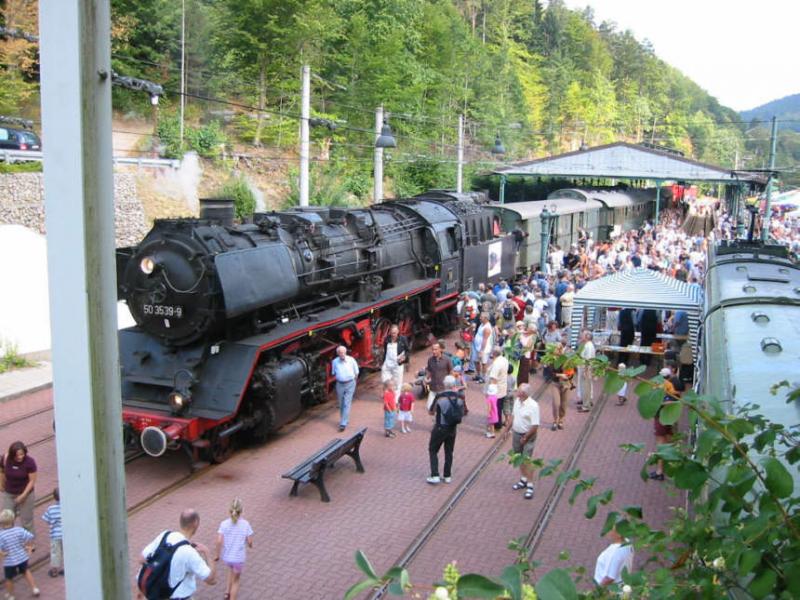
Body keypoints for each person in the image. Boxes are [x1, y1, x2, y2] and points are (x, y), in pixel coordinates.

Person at [140, 509, 217, 599]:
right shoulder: (189, 552)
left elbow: (141, 558)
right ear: (196, 523)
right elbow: (211, 579)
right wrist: (207, 553)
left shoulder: (165, 535)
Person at [427, 376, 467, 485]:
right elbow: (464, 412)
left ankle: (435, 475)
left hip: (440, 427)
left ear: (445, 384)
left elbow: (431, 411)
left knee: (433, 449)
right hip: (452, 428)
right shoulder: (460, 397)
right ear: (454, 385)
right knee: (449, 452)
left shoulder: (440, 397)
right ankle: (447, 475)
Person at [215, 498, 253, 600]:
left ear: (229, 511)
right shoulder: (245, 524)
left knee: (230, 571)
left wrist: (217, 555)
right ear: (242, 511)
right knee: (236, 581)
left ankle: (227, 593)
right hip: (238, 559)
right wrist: (250, 545)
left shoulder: (224, 524)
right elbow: (250, 541)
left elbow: (219, 541)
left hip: (227, 558)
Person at [650, 367, 682, 481]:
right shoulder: (676, 384)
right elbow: (678, 399)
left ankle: (660, 471)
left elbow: (664, 401)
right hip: (671, 418)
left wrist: (659, 403)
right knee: (671, 441)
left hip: (661, 418)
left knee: (661, 445)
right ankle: (674, 467)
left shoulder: (663, 386)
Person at [509, 384, 540, 500]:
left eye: (518, 391)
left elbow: (535, 425)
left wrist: (526, 437)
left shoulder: (533, 406)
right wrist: (507, 430)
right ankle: (523, 479)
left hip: (528, 435)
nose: (516, 392)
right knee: (518, 457)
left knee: (527, 460)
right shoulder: (517, 401)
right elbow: (513, 416)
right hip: (517, 434)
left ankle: (530, 486)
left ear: (524, 394)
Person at [0, 509, 39, 598]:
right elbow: (30, 536)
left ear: (1, 523)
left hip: (10, 561)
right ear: (13, 520)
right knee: (26, 572)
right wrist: (29, 547)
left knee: (9, 578)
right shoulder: (19, 530)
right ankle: (34, 588)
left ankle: (11, 595)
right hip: (22, 557)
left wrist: (2, 554)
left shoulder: (1, 535)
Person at [0, 441, 37, 536]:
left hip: (26, 494)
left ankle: (29, 542)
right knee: (6, 518)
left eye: (22, 454)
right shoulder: (5, 458)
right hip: (9, 493)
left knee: (26, 520)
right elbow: (2, 471)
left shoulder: (30, 462)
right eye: (17, 455)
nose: (20, 457)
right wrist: (1, 484)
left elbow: (32, 481)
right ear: (12, 455)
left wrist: (23, 495)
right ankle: (8, 540)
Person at [331, 346, 359, 432]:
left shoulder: (351, 360)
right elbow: (333, 373)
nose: (342, 354)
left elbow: (356, 372)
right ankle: (344, 419)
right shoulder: (335, 362)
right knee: (341, 403)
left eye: (343, 352)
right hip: (340, 384)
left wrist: (354, 381)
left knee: (347, 402)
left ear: (345, 352)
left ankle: (343, 423)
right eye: (340, 353)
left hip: (350, 383)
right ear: (338, 354)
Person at [485, 346, 509, 433]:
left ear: (493, 353)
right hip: (502, 388)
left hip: (496, 391)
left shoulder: (496, 364)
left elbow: (493, 379)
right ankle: (497, 423)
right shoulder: (504, 360)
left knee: (495, 408)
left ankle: (496, 425)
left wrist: (491, 393)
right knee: (499, 407)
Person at [382, 325, 409, 397]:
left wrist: (404, 358)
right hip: (387, 364)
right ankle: (387, 395)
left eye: (395, 333)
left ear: (398, 332)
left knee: (397, 383)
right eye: (392, 333)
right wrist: (383, 361)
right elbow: (385, 350)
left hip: (398, 364)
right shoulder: (387, 339)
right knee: (385, 381)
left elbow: (407, 350)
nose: (393, 334)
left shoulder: (403, 339)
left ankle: (396, 399)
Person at [41, 487, 63, 578]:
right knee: (67, 552)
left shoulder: (51, 509)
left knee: (55, 552)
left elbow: (46, 520)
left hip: (55, 535)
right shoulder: (68, 507)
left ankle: (54, 571)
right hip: (66, 535)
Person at [576, 331, 596, 413]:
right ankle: (586, 402)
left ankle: (586, 406)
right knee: (585, 386)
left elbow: (588, 359)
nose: (581, 336)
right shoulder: (587, 344)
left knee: (586, 387)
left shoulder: (589, 346)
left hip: (585, 369)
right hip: (584, 368)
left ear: (587, 337)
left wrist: (585, 370)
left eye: (583, 335)